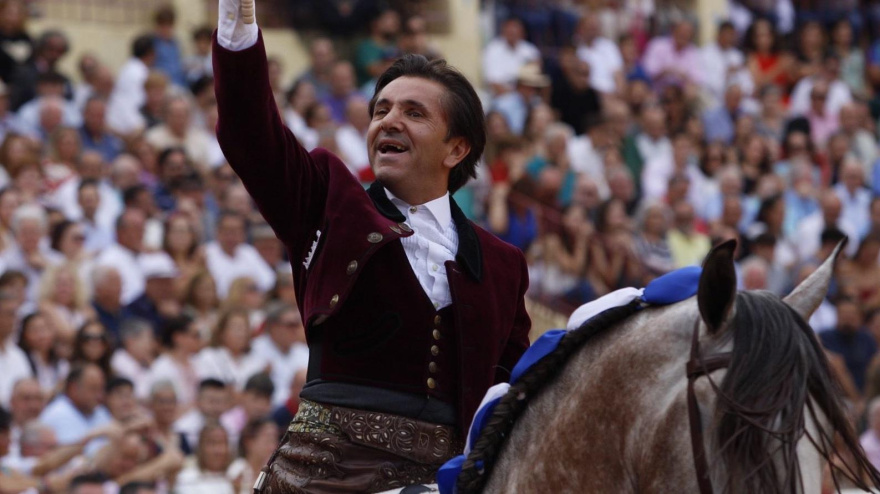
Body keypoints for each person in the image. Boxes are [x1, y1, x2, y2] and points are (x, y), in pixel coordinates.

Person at [214, 1, 531, 490]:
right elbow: (250, 135)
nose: (388, 121)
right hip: (324, 474)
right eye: (380, 110)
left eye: (414, 112)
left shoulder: (503, 265)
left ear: (456, 148)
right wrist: (239, 23)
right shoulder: (328, 202)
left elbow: (512, 392)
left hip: (444, 479)